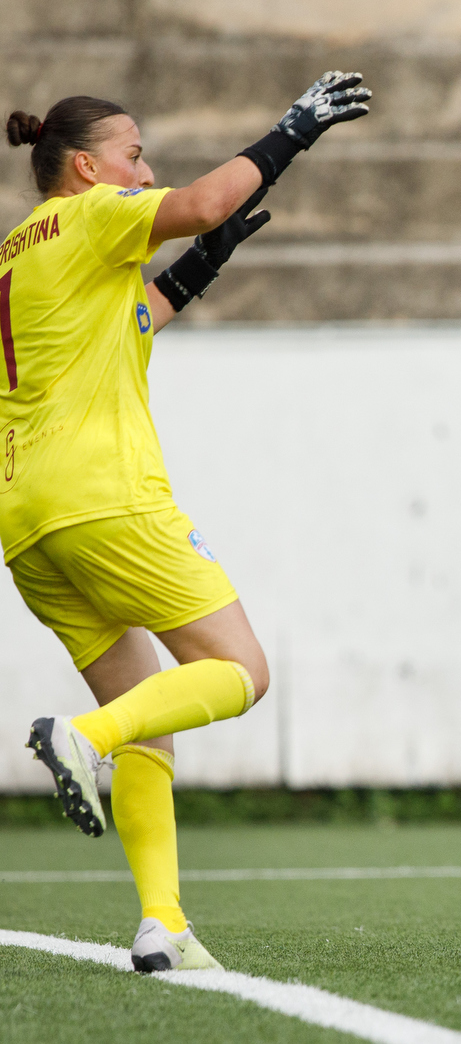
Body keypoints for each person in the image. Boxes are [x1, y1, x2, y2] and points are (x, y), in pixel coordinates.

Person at [5, 72, 371, 971]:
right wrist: (294, 129)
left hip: (28, 523)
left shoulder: (17, 251)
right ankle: (78, 740)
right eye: (134, 156)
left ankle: (162, 922)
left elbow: (129, 321)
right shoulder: (94, 214)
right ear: (85, 167)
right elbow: (207, 198)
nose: (146, 170)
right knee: (240, 671)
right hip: (106, 497)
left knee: (149, 722)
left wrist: (202, 265)